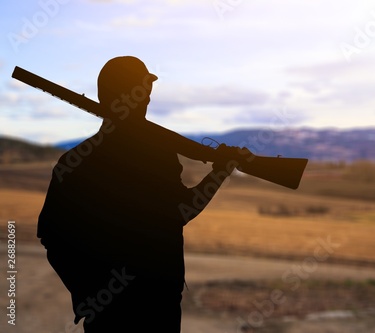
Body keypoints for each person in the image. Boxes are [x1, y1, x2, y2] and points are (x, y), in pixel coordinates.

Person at [37, 56, 242, 332]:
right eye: (142, 91)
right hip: (156, 304)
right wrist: (219, 173)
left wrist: (89, 292)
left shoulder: (74, 162)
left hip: (119, 307)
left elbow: (51, 238)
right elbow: (183, 211)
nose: (147, 99)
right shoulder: (157, 158)